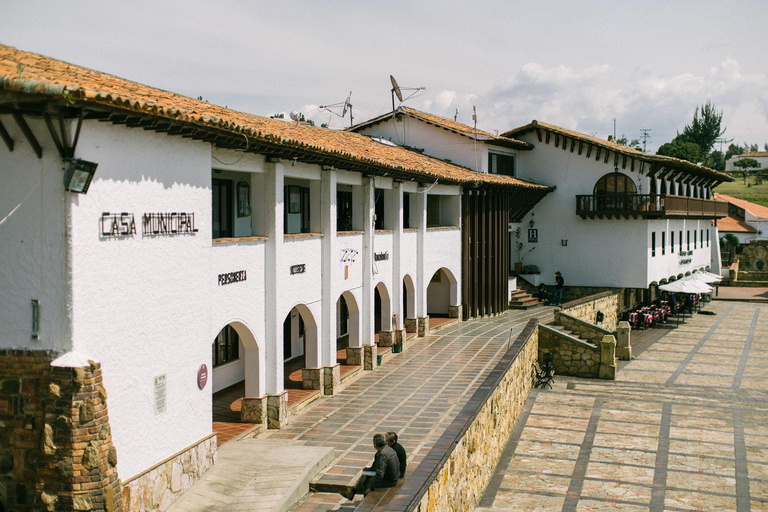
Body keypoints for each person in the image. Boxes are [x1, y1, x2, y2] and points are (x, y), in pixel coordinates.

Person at [341, 433, 399, 500]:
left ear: (375, 444)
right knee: (365, 474)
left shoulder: (382, 454)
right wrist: (370, 469)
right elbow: (378, 466)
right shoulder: (387, 449)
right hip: (391, 476)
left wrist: (371, 487)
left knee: (368, 482)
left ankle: (364, 500)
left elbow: (380, 474)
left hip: (389, 480)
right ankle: (352, 493)